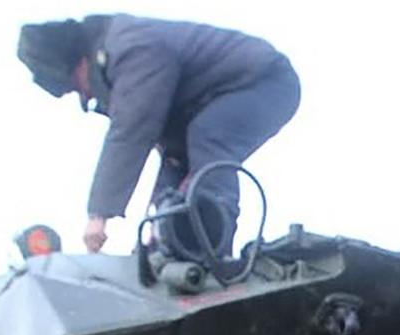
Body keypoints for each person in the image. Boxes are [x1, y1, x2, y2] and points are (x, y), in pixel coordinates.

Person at [17, 15, 301, 253]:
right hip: (206, 107)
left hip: (262, 81)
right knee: (169, 196)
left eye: (77, 88)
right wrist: (157, 228)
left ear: (79, 64)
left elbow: (132, 128)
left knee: (210, 139)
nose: (85, 95)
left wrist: (99, 215)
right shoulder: (115, 54)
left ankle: (211, 250)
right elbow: (163, 143)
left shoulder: (129, 48)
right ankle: (169, 252)